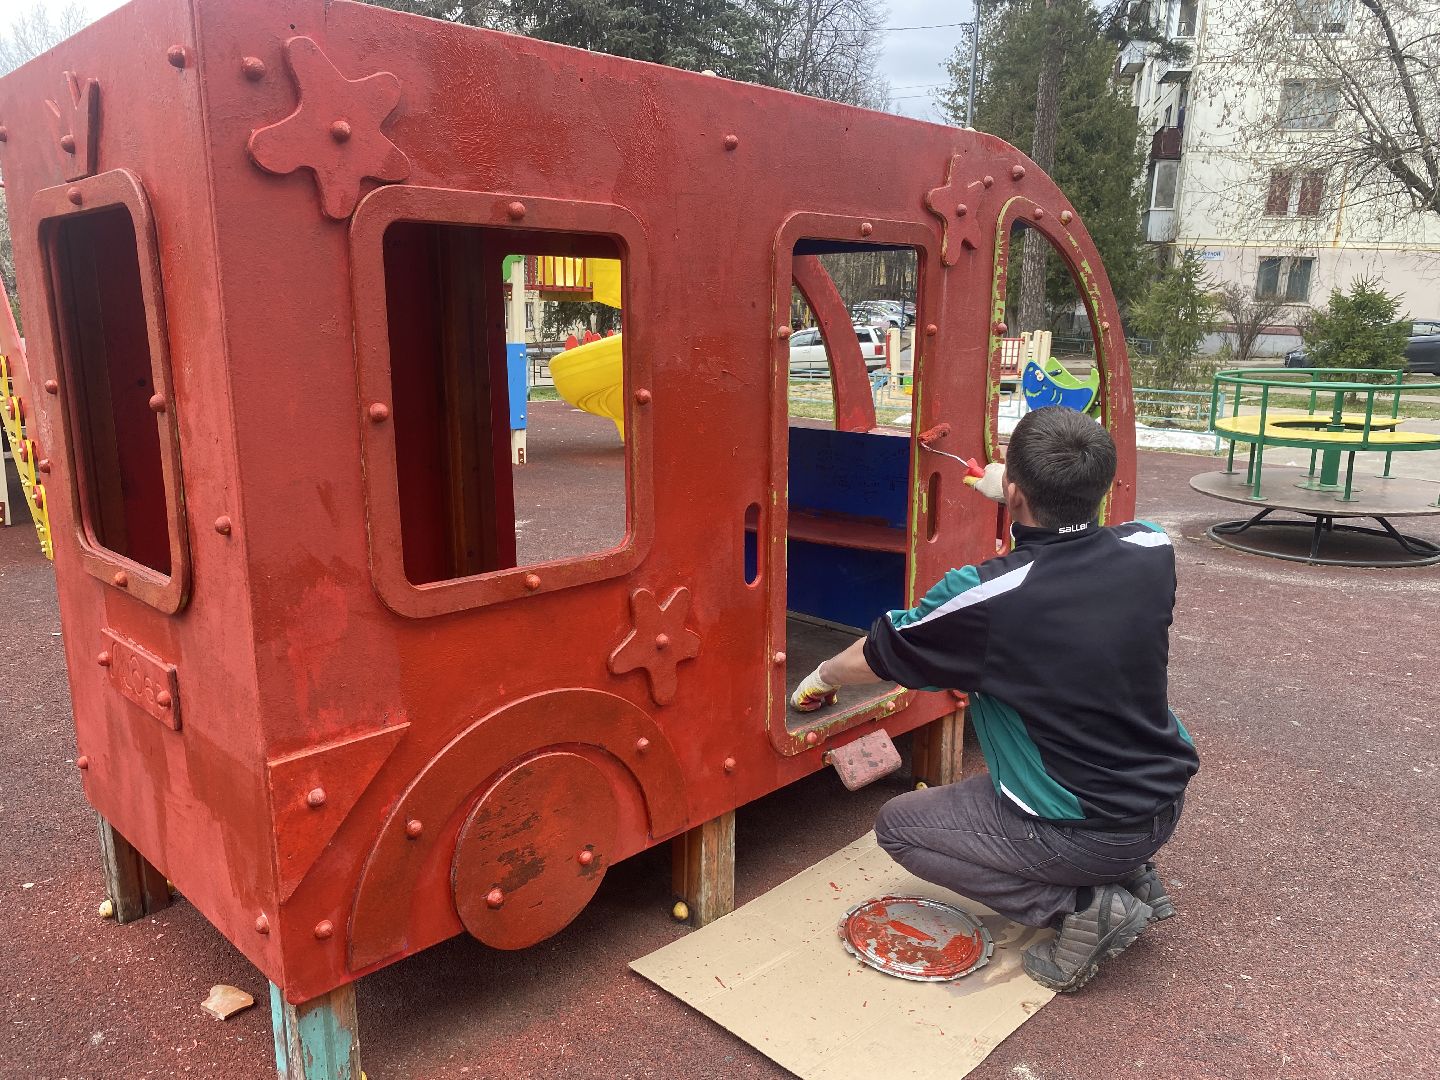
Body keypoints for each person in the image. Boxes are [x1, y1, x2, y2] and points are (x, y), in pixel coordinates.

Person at [790, 406, 1198, 992]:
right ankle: (1128, 874)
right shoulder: (1152, 548)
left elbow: (883, 651)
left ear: (1014, 489)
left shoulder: (987, 597)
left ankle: (1080, 904)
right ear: (1101, 485)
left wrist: (823, 676)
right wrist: (1014, 496)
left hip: (1082, 824)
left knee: (899, 827)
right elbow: (1080, 554)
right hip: (1159, 797)